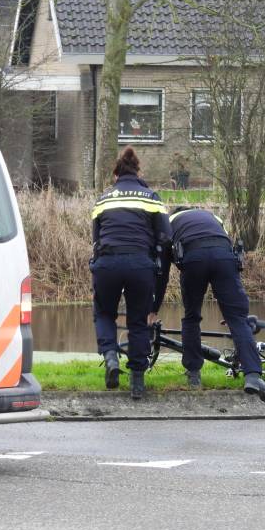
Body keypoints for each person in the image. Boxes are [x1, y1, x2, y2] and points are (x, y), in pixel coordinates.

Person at [167, 206, 265, 402]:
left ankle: (194, 374)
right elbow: (224, 241)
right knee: (238, 319)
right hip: (224, 257)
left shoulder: (170, 222)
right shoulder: (212, 217)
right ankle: (253, 375)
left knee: (192, 316)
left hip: (194, 259)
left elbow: (167, 255)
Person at [90, 146, 171, 400]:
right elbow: (166, 237)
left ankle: (111, 356)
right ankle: (137, 381)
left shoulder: (103, 200)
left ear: (116, 174)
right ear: (139, 171)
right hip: (140, 264)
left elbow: (95, 238)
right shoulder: (152, 197)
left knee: (104, 313)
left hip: (108, 264)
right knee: (138, 321)